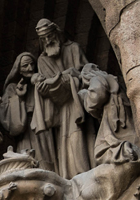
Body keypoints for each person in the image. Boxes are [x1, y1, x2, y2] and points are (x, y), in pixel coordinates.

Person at [33, 18, 94, 179]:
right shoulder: (42, 60)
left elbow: (87, 74)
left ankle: (83, 173)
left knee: (78, 137)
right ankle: (68, 176)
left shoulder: (74, 48)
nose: (47, 41)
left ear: (57, 33)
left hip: (77, 100)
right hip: (59, 108)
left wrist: (70, 76)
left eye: (50, 36)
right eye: (43, 39)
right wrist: (43, 89)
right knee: (64, 143)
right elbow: (47, 84)